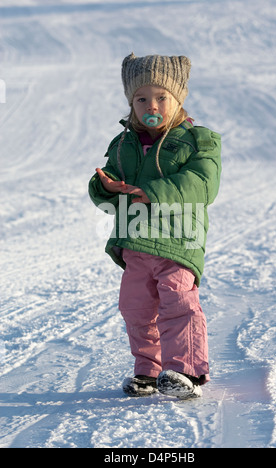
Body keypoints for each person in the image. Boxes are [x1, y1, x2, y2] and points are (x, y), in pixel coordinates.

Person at [89, 53, 221, 399]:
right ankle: (148, 370)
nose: (152, 105)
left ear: (178, 99)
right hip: (135, 243)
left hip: (178, 241)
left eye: (162, 97)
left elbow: (202, 184)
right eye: (142, 98)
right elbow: (109, 198)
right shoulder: (123, 145)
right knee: (136, 307)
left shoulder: (197, 141)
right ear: (131, 103)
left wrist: (149, 192)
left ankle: (185, 370)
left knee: (177, 302)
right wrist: (105, 187)